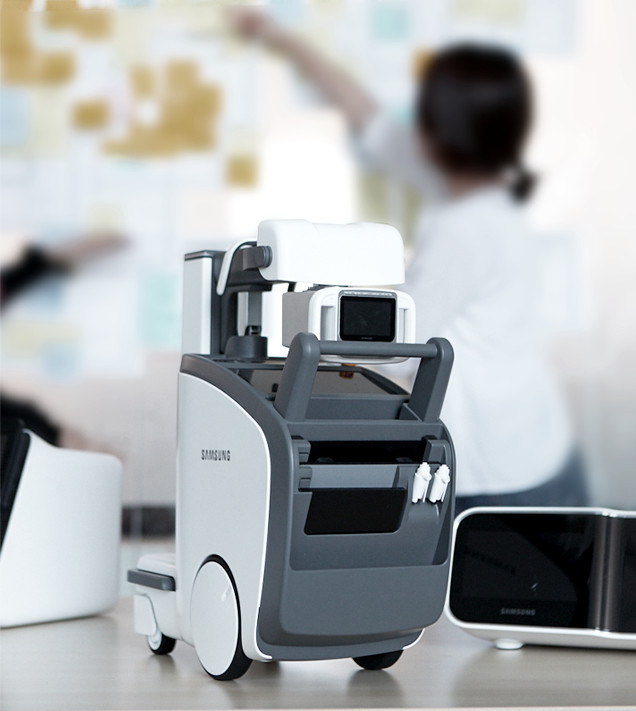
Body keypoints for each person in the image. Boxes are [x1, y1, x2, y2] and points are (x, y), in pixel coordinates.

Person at [231, 10, 588, 513]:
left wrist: (290, 336)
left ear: (439, 137)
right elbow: (365, 114)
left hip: (506, 473)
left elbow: (394, 345)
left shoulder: (467, 228)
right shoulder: (467, 180)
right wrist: (280, 38)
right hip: (534, 441)